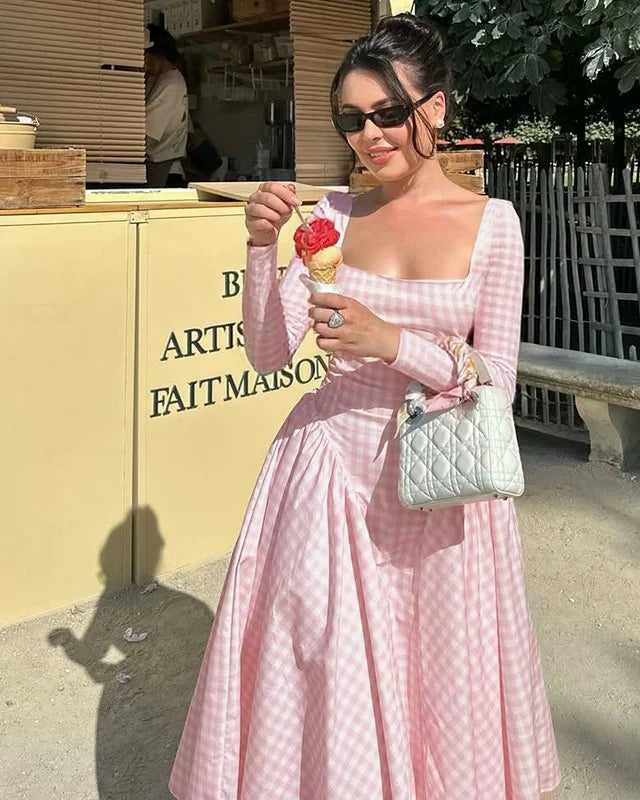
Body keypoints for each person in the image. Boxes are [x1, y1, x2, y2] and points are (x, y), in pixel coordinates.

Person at [169, 13, 560, 800]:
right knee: (318, 667)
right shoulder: (332, 219)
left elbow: (499, 386)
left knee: (436, 682)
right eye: (353, 119)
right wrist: (257, 249)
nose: (369, 136)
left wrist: (393, 344)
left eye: (388, 113)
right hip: (327, 478)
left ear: (437, 109)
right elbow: (271, 352)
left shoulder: (495, 228)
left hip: (442, 487)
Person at [144, 24, 189, 188]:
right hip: (160, 168)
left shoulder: (171, 85)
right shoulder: (159, 79)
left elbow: (149, 136)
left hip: (165, 171)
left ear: (152, 54)